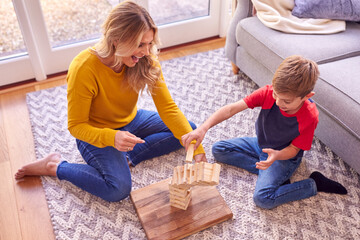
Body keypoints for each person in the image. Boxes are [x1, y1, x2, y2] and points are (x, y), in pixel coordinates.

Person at [15, 1, 206, 202]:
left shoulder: (144, 59)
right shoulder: (84, 68)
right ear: (116, 40)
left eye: (149, 43)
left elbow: (168, 108)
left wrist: (197, 150)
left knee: (186, 132)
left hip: (131, 120)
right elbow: (76, 126)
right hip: (96, 132)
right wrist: (112, 138)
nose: (147, 51)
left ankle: (127, 157)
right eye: (140, 44)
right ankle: (55, 166)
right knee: (117, 189)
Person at [182, 55, 347, 209]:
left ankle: (313, 184)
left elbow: (294, 150)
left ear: (306, 96)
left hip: (284, 156)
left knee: (263, 199)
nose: (277, 102)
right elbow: (231, 109)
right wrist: (203, 128)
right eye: (276, 94)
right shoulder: (269, 93)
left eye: (286, 101)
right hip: (260, 144)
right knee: (219, 150)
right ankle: (272, 176)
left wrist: (276, 156)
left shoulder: (309, 116)